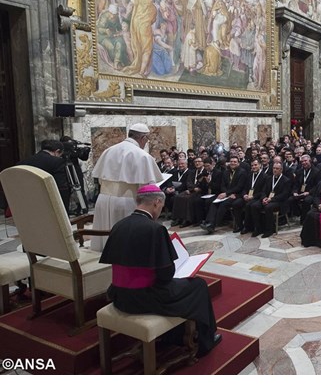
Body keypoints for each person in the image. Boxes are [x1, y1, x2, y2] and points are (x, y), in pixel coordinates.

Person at [99, 185, 222, 357]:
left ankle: (173, 335)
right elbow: (165, 275)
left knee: (183, 286)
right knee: (198, 285)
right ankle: (205, 341)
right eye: (161, 206)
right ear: (157, 202)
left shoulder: (119, 225)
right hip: (144, 298)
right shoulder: (155, 229)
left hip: (119, 295)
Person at [91, 123, 163, 250]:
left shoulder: (108, 150)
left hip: (103, 200)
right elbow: (147, 188)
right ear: (143, 138)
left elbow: (100, 179)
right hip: (126, 201)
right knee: (125, 245)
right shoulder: (142, 156)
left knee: (105, 241)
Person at [19, 139, 71, 213]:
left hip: (29, 200)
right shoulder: (57, 162)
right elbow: (62, 187)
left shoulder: (23, 162)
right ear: (57, 151)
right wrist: (64, 210)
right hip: (49, 201)